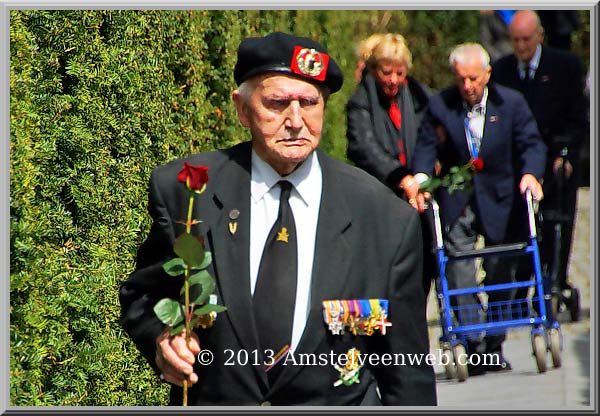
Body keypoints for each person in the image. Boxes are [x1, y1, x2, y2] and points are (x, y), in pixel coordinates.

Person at [119, 32, 437, 406]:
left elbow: (407, 370)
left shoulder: (384, 218)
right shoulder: (189, 192)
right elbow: (143, 295)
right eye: (277, 103)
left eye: (309, 102)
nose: (295, 120)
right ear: (241, 108)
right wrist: (163, 338)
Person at [402, 42, 547, 373]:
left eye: (473, 79)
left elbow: (531, 143)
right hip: (459, 197)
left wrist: (530, 175)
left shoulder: (510, 103)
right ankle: (473, 341)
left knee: (503, 267)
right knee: (458, 268)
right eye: (460, 79)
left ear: (487, 74)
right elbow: (425, 148)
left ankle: (494, 344)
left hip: (502, 196)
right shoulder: (441, 105)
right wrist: (421, 179)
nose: (467, 86)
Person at [491, 10, 588, 313]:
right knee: (519, 227)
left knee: (558, 222)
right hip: (520, 165)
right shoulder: (502, 70)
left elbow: (578, 117)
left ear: (540, 36)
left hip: (557, 159)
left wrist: (569, 155)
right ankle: (518, 289)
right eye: (516, 40)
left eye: (526, 40)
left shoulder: (566, 66)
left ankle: (553, 283)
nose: (521, 46)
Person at [345, 33, 434, 295]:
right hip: (380, 196)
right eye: (386, 72)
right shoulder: (360, 101)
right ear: (373, 70)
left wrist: (422, 176)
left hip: (418, 193)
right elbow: (363, 147)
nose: (393, 80)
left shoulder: (418, 97)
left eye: (400, 73)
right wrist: (401, 177)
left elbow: (428, 138)